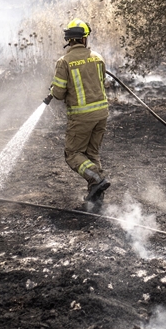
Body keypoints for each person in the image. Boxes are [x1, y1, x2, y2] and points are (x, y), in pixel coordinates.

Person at [47, 18, 110, 209]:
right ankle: (96, 199)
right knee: (92, 153)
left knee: (73, 153)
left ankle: (97, 179)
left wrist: (52, 90)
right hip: (102, 113)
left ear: (69, 40)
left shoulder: (64, 62)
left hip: (81, 117)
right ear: (84, 39)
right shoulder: (97, 58)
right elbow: (101, 81)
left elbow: (58, 93)